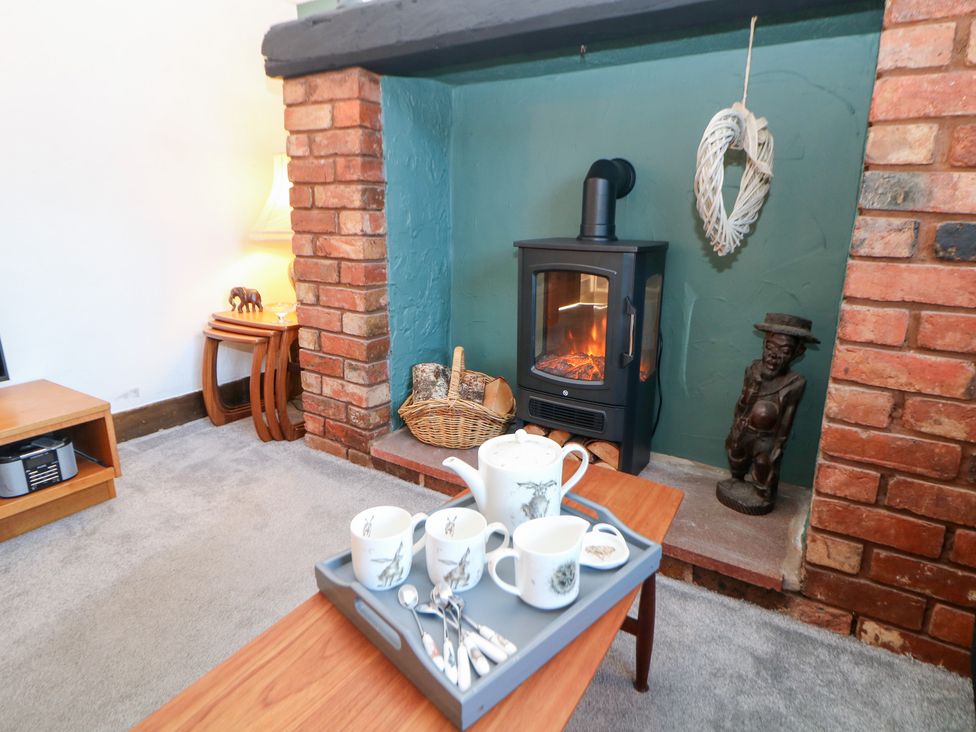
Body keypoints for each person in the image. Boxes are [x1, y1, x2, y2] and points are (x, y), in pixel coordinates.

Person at [718, 313, 818, 515]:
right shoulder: (753, 370)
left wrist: (779, 444)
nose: (773, 355)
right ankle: (736, 479)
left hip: (767, 437)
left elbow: (787, 418)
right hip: (745, 426)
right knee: (735, 450)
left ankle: (762, 493)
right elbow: (742, 403)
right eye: (770, 347)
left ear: (797, 353)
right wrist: (737, 425)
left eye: (784, 351)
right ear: (764, 345)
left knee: (764, 463)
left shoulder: (795, 382)